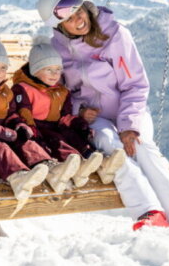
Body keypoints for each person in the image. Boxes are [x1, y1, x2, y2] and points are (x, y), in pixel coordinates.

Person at [37, 0, 169, 230]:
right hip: (93, 117)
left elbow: (136, 85)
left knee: (140, 147)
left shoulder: (116, 35)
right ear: (59, 27)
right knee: (111, 146)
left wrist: (129, 125)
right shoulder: (57, 49)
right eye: (69, 20)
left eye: (79, 12)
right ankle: (150, 212)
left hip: (129, 108)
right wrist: (78, 111)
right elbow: (63, 92)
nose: (78, 21)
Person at [0, 31, 81, 204]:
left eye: (3, 68)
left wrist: (18, 124)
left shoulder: (4, 92)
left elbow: (10, 114)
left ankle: (50, 170)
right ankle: (18, 178)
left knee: (25, 140)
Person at [10, 35, 122, 188]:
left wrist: (78, 123)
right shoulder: (23, 89)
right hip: (34, 128)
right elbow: (23, 112)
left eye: (57, 70)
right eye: (49, 70)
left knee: (72, 135)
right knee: (56, 139)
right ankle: (70, 165)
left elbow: (65, 116)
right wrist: (31, 129)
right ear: (35, 71)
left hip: (55, 125)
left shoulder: (61, 91)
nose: (55, 75)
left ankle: (97, 162)